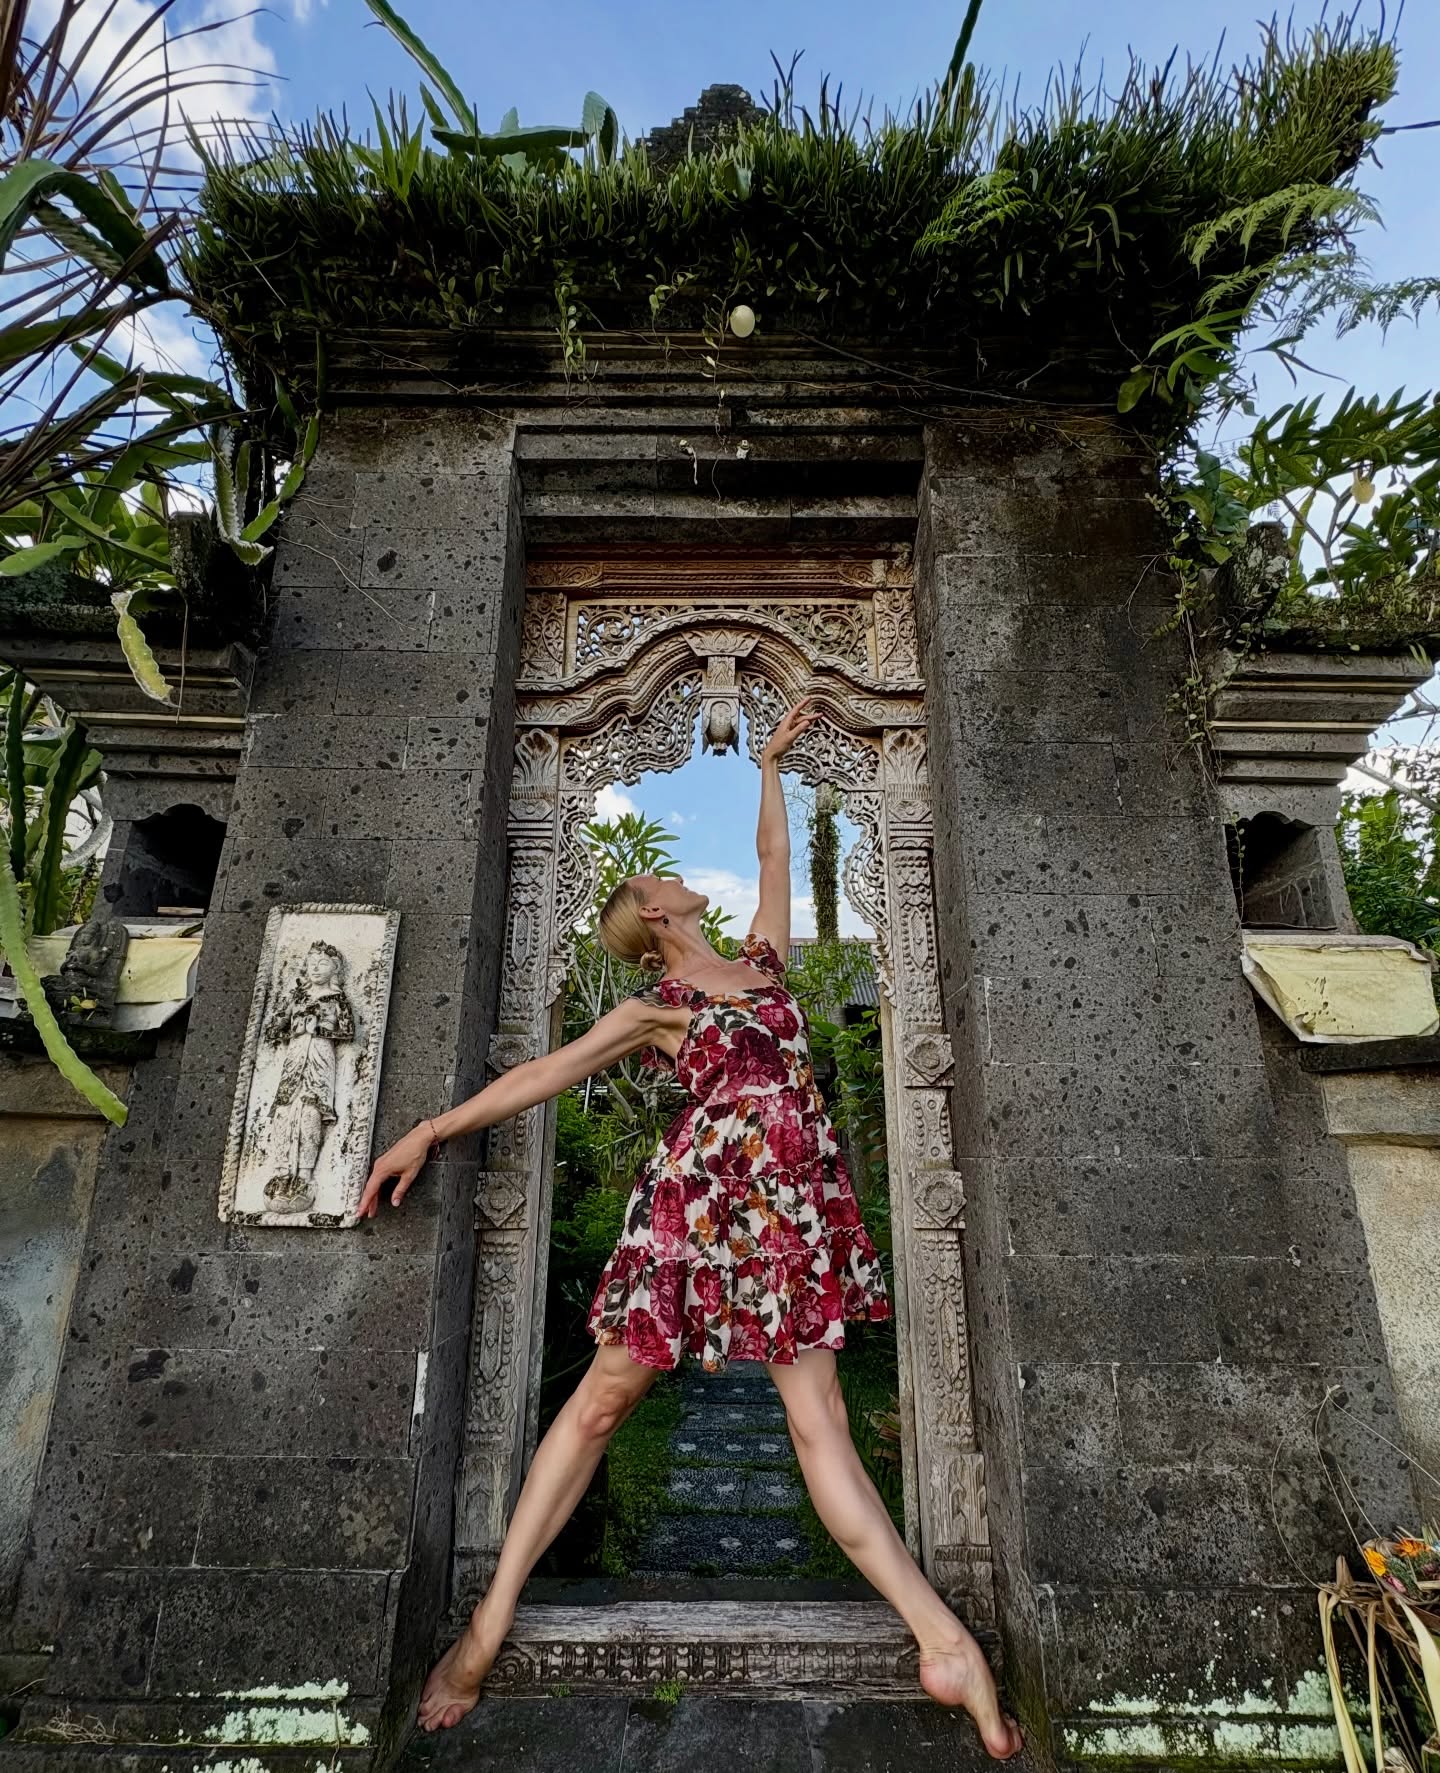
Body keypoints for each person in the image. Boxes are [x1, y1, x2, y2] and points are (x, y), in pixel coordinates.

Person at [358, 696, 1023, 1761]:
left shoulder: (763, 964)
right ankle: (486, 1628)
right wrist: (429, 1132)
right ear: (652, 911)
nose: (676, 873)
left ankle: (941, 1642)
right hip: (694, 1209)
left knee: (821, 1430)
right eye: (661, 877)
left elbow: (774, 853)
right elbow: (541, 1074)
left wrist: (770, 765)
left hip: (789, 1215)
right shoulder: (655, 1006)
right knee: (598, 1409)